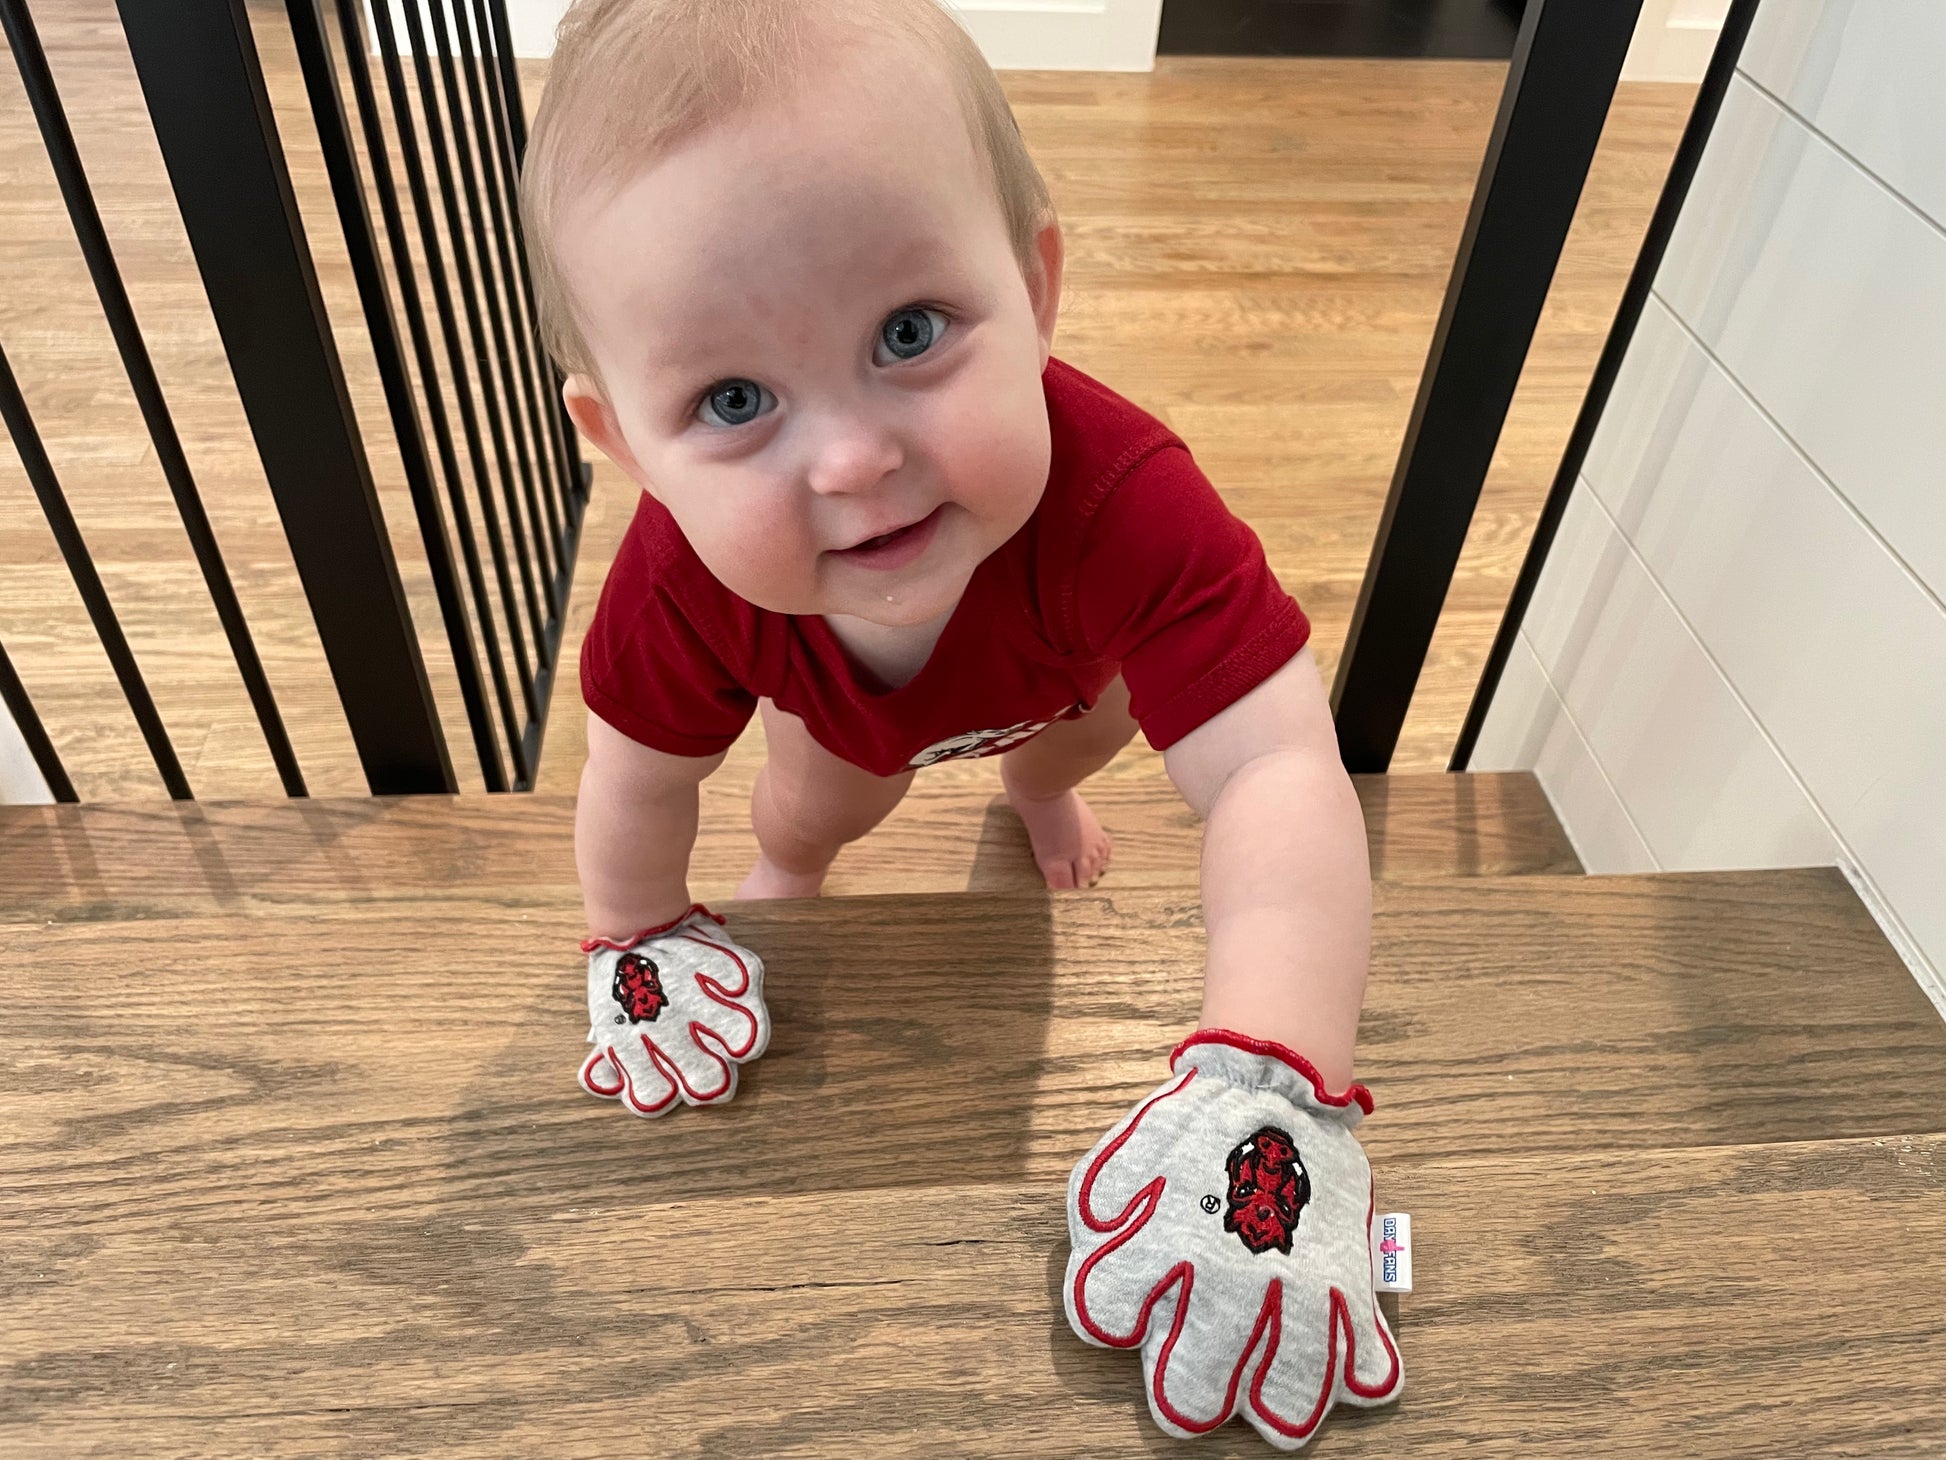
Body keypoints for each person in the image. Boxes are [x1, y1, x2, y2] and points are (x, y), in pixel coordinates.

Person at [521, 0, 1402, 1446]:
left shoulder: (1124, 498)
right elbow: (637, 777)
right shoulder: (680, 581)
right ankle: (795, 887)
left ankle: (1033, 800)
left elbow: (1271, 763)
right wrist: (636, 931)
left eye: (909, 332)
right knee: (806, 815)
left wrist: (1276, 1063)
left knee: (1059, 756)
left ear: (1038, 285)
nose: (857, 458)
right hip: (838, 718)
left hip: (1068, 686)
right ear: (623, 444)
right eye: (734, 399)